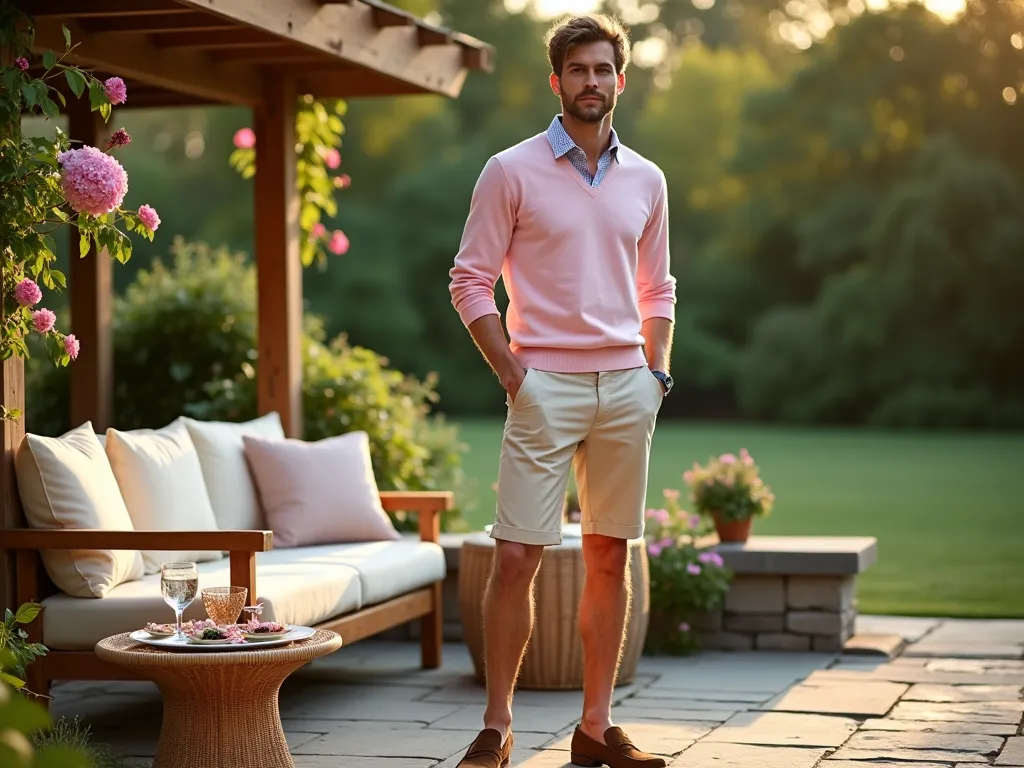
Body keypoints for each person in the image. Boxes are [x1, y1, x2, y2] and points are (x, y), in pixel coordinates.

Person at [447, 11, 675, 768]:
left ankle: (596, 728)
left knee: (610, 556)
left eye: (604, 69)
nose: (591, 82)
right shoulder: (508, 170)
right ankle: (498, 727)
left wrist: (655, 372)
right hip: (544, 385)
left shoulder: (648, 179)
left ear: (620, 79)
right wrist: (515, 376)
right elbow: (470, 280)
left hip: (626, 388)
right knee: (517, 557)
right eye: (578, 69)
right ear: (556, 81)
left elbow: (660, 288)